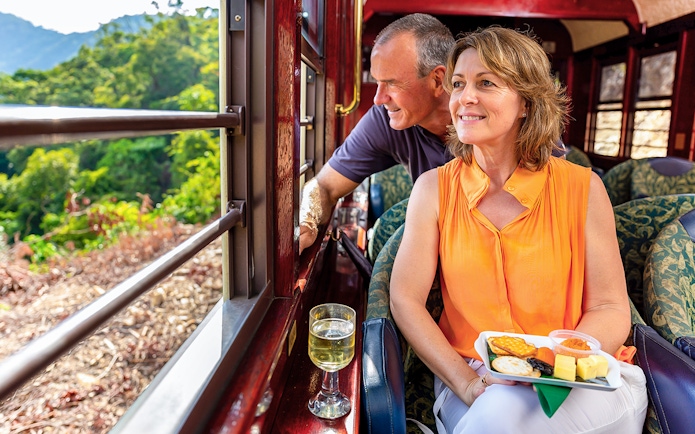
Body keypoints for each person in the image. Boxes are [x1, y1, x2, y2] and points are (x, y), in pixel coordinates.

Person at [390, 26, 647, 433]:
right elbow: (405, 299)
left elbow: (610, 309)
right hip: (476, 378)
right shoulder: (433, 190)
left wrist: (545, 366)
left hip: (582, 374)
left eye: (486, 83)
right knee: (498, 409)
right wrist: (470, 384)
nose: (464, 98)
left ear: (526, 102)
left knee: (502, 415)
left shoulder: (583, 188)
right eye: (458, 84)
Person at [299, 13, 455, 253]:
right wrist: (306, 224)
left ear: (437, 80)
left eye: (392, 83)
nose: (378, 98)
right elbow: (325, 187)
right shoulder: (385, 118)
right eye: (377, 82)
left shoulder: (491, 120)